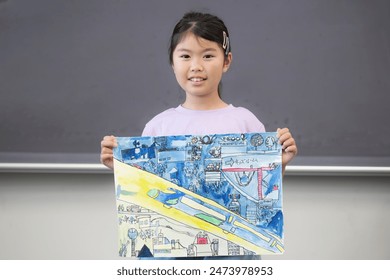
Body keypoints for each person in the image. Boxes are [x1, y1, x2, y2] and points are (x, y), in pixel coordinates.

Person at [100, 12, 297, 259]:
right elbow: (145, 193)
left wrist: (279, 163)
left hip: (234, 262)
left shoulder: (245, 121)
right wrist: (120, 167)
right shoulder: (158, 127)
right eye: (185, 56)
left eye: (208, 55)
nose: (196, 66)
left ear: (226, 61)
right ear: (173, 63)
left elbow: (262, 196)